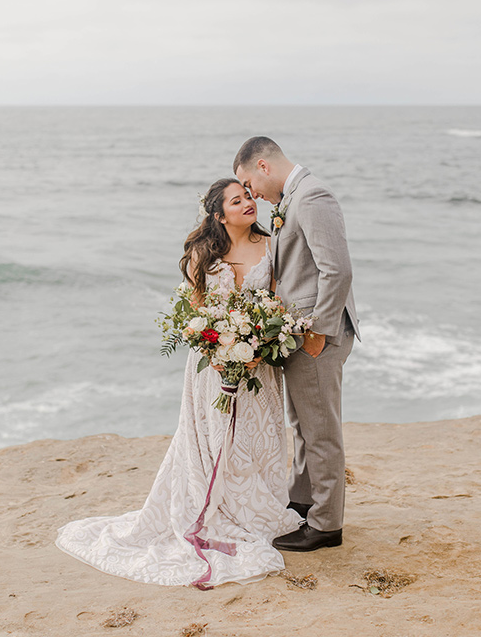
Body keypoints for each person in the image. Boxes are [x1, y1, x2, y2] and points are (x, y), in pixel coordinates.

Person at [55, 178, 301, 588]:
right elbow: (195, 313)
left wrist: (260, 341)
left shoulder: (272, 246)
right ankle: (208, 505)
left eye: (248, 198)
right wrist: (217, 346)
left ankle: (250, 508)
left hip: (258, 363)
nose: (247, 205)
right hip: (210, 364)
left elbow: (276, 303)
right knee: (209, 435)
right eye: (236, 202)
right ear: (219, 215)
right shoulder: (203, 256)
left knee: (255, 437)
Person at [233, 137, 359, 552]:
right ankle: (304, 503)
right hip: (299, 335)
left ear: (263, 166)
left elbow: (336, 271)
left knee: (321, 431)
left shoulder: (312, 196)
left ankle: (326, 525)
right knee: (304, 426)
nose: (252, 195)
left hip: (316, 336)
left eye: (249, 184)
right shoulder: (292, 200)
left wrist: (317, 332)